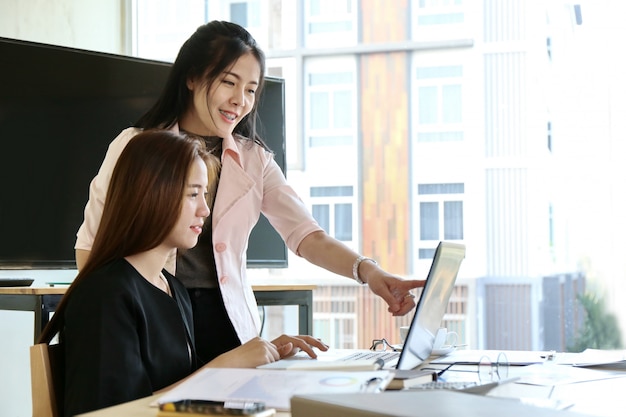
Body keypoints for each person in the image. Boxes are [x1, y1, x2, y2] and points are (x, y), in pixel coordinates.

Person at [75, 20, 424, 364]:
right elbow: (91, 247)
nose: (239, 101)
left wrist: (370, 272)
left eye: (251, 89)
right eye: (229, 82)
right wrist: (104, 319)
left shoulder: (255, 160)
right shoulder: (135, 146)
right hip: (155, 316)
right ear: (193, 77)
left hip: (230, 324)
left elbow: (308, 236)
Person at [39, 130, 326, 417]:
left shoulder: (173, 289)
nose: (205, 209)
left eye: (205, 194)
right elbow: (112, 412)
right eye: (193, 194)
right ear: (149, 194)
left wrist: (264, 355)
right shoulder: (105, 295)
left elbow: (181, 386)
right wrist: (223, 367)